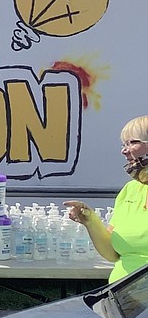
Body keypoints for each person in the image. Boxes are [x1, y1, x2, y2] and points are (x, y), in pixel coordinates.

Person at [64, 115, 148, 283]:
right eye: (124, 144)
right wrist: (90, 221)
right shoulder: (130, 191)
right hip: (122, 299)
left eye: (132, 143)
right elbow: (112, 253)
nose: (124, 150)